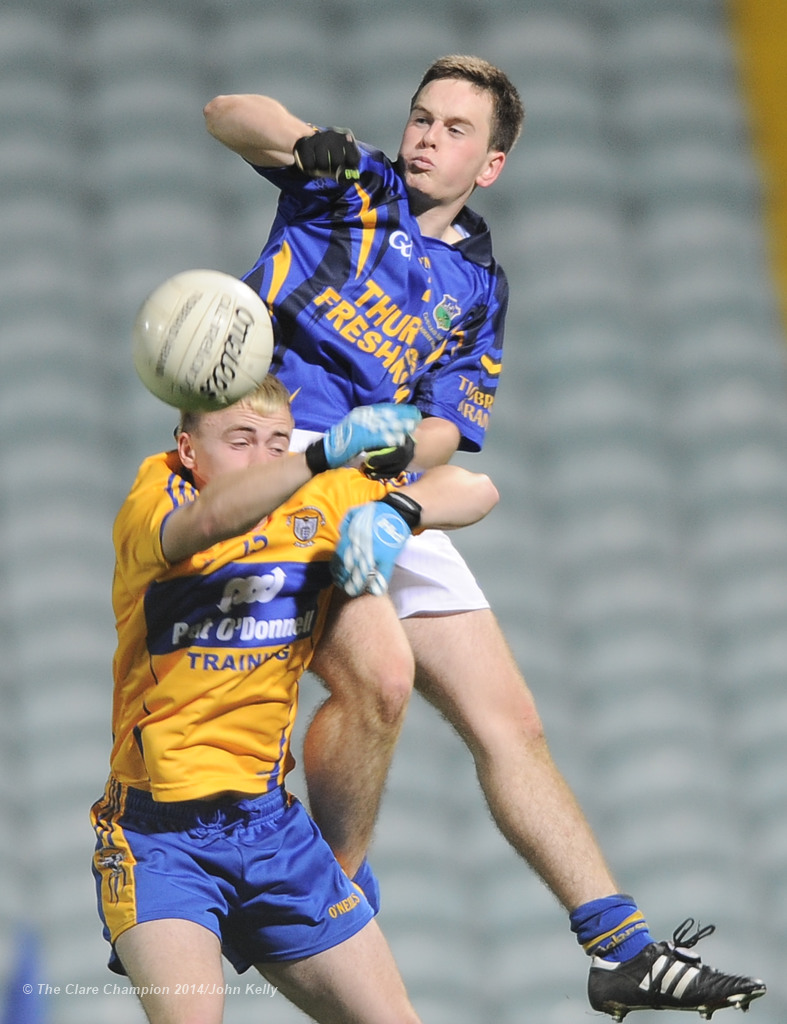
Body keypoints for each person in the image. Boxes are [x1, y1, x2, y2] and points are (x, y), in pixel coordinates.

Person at [202, 56, 766, 1019]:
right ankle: (321, 897)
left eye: (455, 129)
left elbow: (447, 429)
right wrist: (304, 142)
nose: (427, 136)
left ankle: (617, 946)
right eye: (422, 117)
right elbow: (226, 112)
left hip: (369, 470)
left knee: (511, 719)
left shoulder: (479, 283)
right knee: (378, 678)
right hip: (285, 454)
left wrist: (391, 463)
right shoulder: (352, 183)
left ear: (490, 164)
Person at [90, 375, 499, 1024]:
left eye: (277, 440)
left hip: (272, 829)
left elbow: (477, 489)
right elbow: (214, 516)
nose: (263, 456)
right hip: (158, 839)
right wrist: (314, 454)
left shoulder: (320, 495)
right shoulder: (157, 497)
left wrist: (400, 512)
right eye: (240, 440)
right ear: (188, 448)